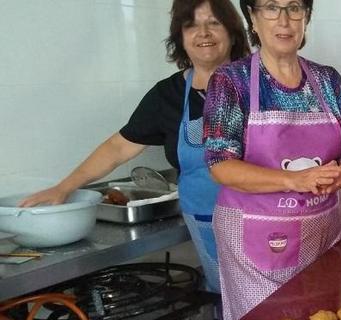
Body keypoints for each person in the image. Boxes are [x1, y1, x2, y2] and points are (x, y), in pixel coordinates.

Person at [20, 0, 250, 296]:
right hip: (207, 222)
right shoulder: (167, 96)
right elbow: (117, 147)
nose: (203, 33)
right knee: (229, 301)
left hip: (263, 218)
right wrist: (64, 187)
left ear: (232, 31)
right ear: (180, 37)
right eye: (191, 24)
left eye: (214, 23)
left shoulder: (258, 84)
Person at [204, 0, 341, 320]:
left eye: (294, 8)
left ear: (306, 16)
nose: (284, 20)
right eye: (271, 8)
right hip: (257, 242)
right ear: (253, 17)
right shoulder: (231, 81)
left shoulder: (328, 80)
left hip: (323, 236)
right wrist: (294, 180)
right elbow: (220, 165)